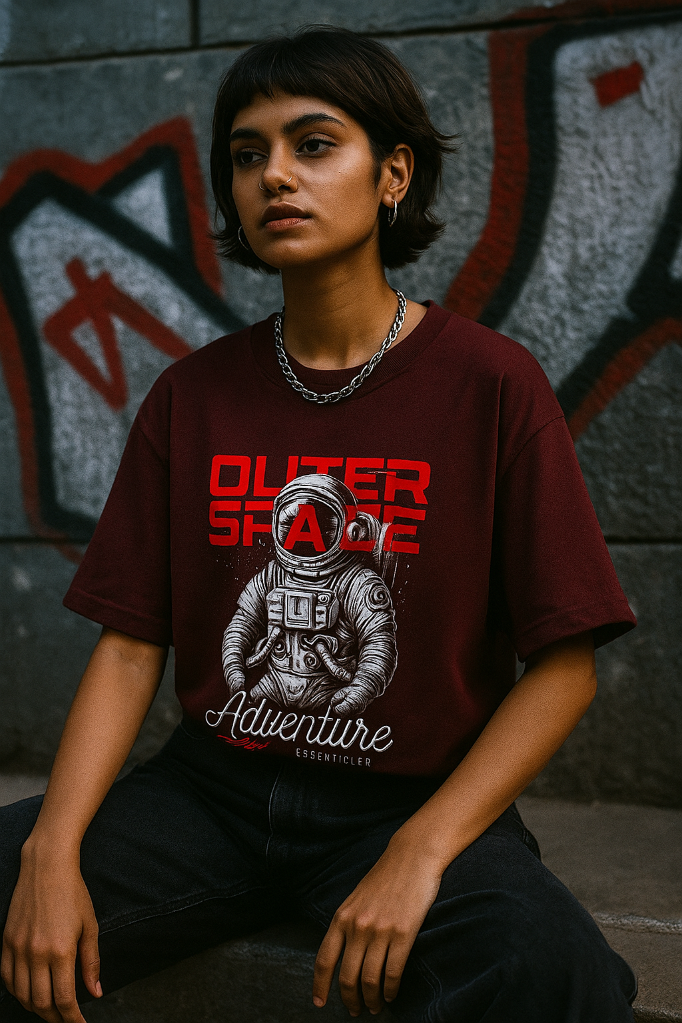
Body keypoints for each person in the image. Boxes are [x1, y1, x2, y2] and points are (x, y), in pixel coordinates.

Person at [0, 27, 638, 1023]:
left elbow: (567, 665)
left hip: (403, 798)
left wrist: (419, 851)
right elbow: (131, 646)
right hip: (209, 796)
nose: (274, 178)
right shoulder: (192, 396)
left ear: (393, 174)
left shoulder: (489, 386)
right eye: (247, 155)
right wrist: (52, 850)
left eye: (313, 144)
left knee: (544, 969)